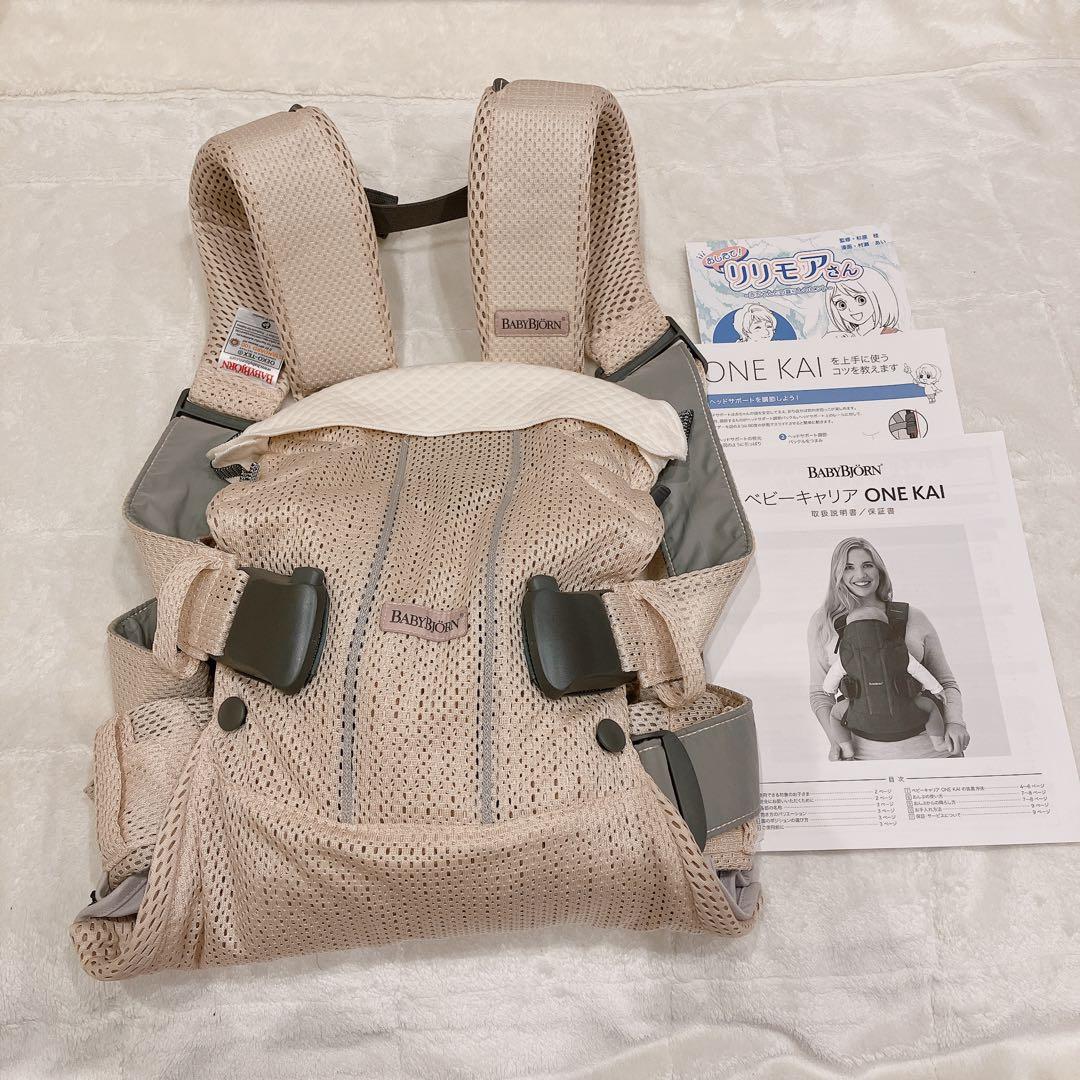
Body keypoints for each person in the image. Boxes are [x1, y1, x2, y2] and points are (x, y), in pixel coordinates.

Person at [806, 537, 970, 760]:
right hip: (863, 758)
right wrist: (837, 743)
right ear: (838, 574)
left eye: (867, 565)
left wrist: (955, 723)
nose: (860, 575)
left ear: (879, 570)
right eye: (848, 567)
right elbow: (820, 694)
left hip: (934, 752)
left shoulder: (913, 617)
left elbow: (946, 683)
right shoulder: (824, 624)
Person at [820, 603, 948, 760]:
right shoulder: (898, 652)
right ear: (886, 628)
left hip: (861, 716)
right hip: (904, 713)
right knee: (931, 707)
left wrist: (829, 690)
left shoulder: (846, 657)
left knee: (835, 714)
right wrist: (936, 689)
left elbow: (832, 678)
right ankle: (938, 742)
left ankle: (847, 749)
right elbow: (918, 671)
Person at [823, 265, 901, 337]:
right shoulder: (842, 337)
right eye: (842, 305)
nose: (851, 309)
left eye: (861, 300)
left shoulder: (890, 333)